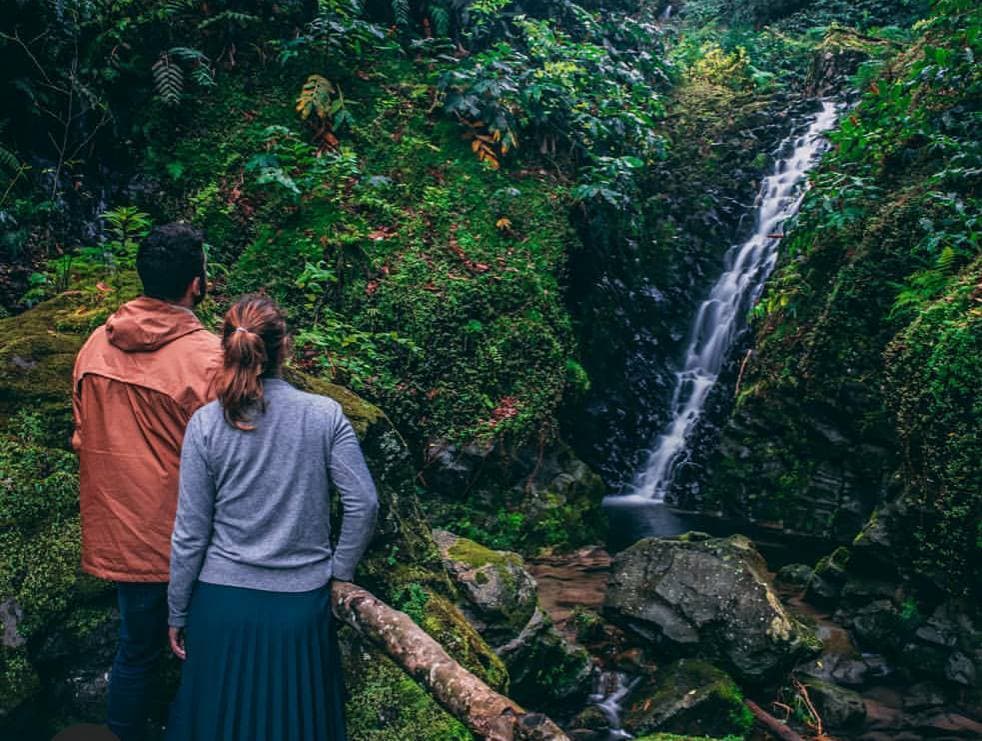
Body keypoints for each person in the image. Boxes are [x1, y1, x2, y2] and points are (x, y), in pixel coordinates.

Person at [166, 295, 379, 741]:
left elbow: (190, 534)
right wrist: (338, 573)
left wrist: (178, 610)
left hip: (220, 606)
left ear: (226, 350)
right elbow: (363, 504)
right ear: (286, 347)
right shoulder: (324, 416)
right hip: (300, 608)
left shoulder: (206, 424)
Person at [72, 223, 221, 741]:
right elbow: (233, 459)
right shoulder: (207, 359)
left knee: (135, 651)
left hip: (122, 536)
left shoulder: (95, 346)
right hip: (190, 540)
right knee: (202, 656)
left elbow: (81, 437)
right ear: (196, 284)